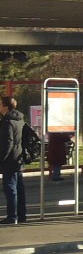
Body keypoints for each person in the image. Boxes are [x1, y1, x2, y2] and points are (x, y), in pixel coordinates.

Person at [0, 96, 28, 224]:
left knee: (10, 189)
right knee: (19, 188)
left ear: (5, 106)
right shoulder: (20, 119)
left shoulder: (7, 122)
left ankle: (12, 216)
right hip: (19, 158)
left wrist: (1, 159)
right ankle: (21, 215)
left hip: (10, 160)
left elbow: (7, 143)